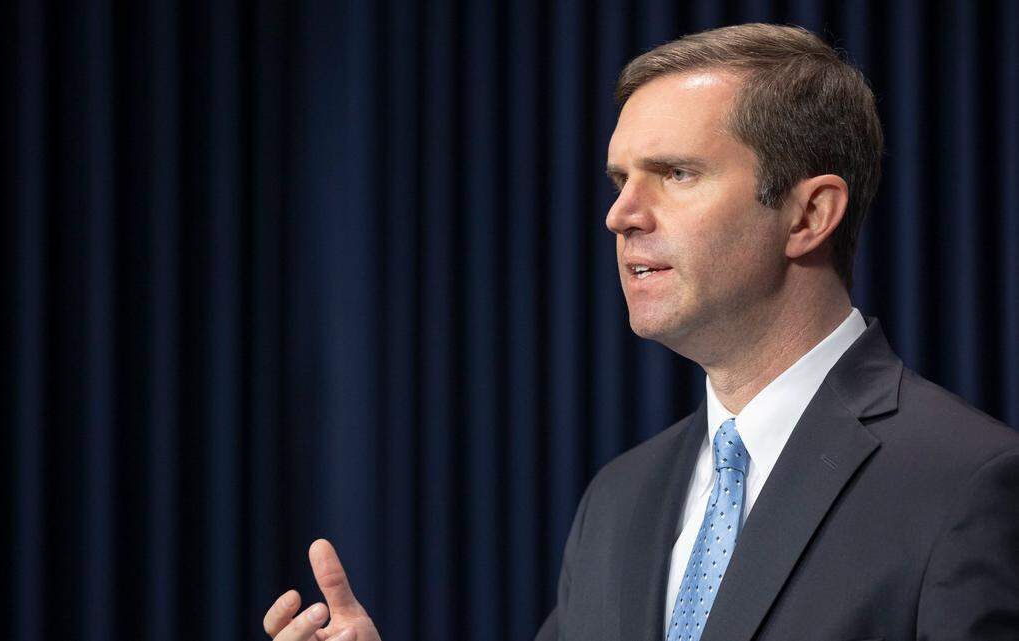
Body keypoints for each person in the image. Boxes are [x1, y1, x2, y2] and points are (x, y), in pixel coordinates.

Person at [262, 23, 1019, 641]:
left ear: (808, 214)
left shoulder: (968, 482)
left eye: (676, 174)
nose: (620, 215)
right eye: (621, 180)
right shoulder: (620, 497)